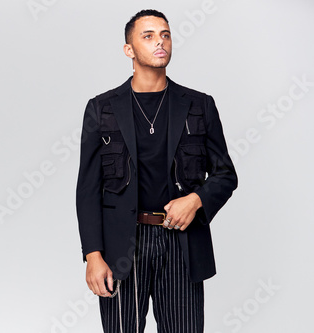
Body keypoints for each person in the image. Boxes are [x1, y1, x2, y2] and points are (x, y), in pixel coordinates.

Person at [75, 9, 238, 333]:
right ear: (129, 49)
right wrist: (93, 255)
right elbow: (88, 188)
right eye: (148, 36)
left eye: (165, 34)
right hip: (122, 244)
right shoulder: (102, 108)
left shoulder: (198, 105)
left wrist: (195, 200)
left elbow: (225, 174)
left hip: (181, 241)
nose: (159, 42)